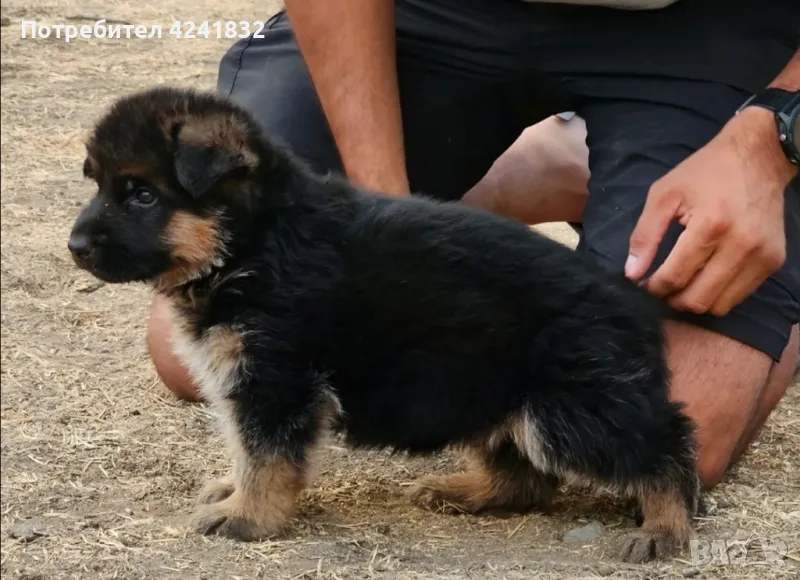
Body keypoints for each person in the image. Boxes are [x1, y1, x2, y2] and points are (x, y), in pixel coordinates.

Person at [148, 0, 800, 490]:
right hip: (440, 9)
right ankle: (545, 171)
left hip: (715, 19)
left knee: (654, 424)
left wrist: (765, 152)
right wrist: (387, 226)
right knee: (226, 345)